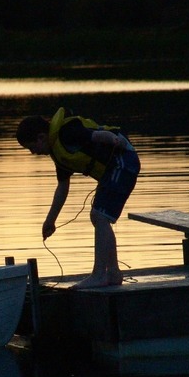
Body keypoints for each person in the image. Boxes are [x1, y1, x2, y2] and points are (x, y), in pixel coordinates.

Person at [16, 107, 140, 288]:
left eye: (32, 147)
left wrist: (115, 140)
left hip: (122, 161)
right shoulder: (57, 152)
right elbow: (62, 187)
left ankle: (99, 275)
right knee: (98, 216)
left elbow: (96, 136)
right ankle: (112, 273)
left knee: (100, 216)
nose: (33, 152)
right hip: (113, 169)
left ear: (41, 137)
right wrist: (50, 221)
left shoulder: (67, 133)